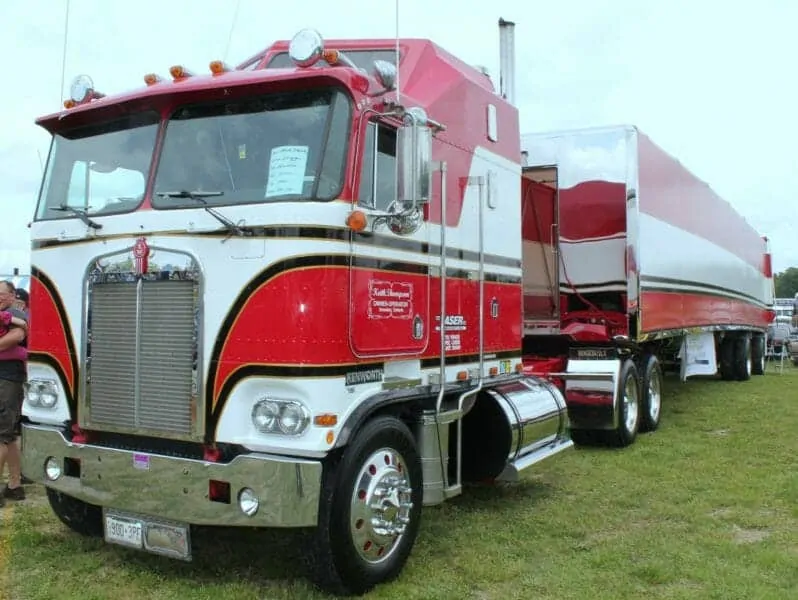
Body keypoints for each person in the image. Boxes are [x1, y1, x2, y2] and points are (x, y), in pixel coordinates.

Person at [0, 280, 28, 506]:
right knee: (9, 436)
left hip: (8, 379)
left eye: (2, 293)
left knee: (2, 435)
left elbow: (17, 336)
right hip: (5, 379)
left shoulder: (15, 313)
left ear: (12, 295)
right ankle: (14, 485)